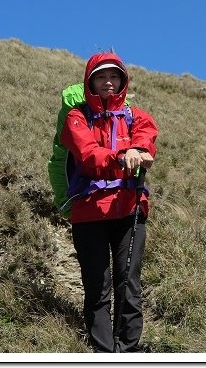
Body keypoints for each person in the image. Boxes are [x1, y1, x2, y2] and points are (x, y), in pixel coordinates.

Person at [59, 52, 158, 352]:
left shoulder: (136, 116)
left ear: (123, 81)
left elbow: (146, 134)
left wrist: (139, 149)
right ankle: (103, 351)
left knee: (129, 283)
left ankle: (128, 350)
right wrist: (122, 156)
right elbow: (87, 155)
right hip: (89, 213)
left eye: (114, 76)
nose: (108, 83)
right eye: (101, 77)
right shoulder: (76, 117)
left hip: (129, 210)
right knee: (97, 285)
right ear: (90, 82)